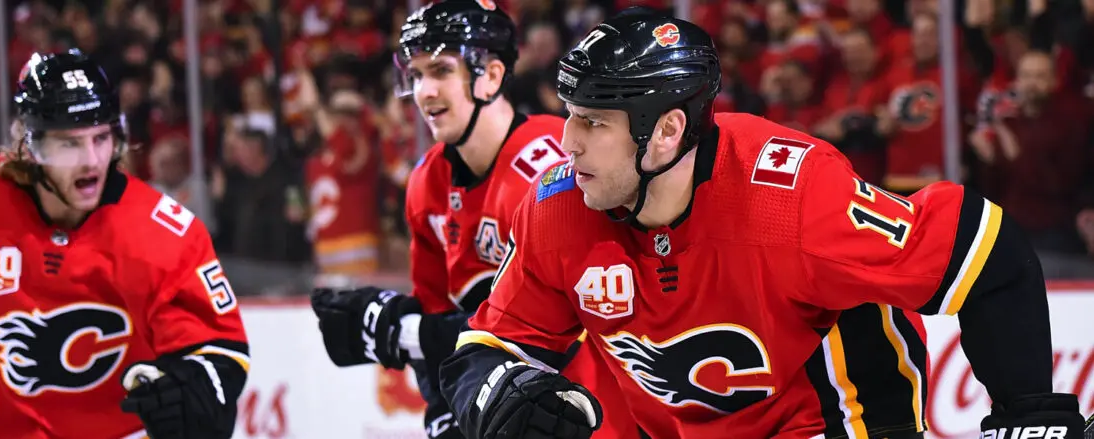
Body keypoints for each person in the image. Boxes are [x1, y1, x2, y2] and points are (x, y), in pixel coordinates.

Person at [438, 8, 1090, 439]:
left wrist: (1026, 410)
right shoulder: (557, 206)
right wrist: (494, 392)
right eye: (569, 113)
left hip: (836, 415)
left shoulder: (792, 194)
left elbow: (984, 246)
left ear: (666, 130)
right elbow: (488, 346)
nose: (567, 141)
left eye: (593, 121)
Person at [308, 1, 636, 438]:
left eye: (441, 71)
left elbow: (567, 325)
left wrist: (409, 332)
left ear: (492, 76)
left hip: (587, 415)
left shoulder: (553, 169)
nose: (424, 91)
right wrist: (444, 414)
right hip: (501, 417)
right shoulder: (426, 182)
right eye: (416, 74)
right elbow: (435, 312)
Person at [0, 50, 249, 439]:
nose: (91, 161)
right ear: (29, 146)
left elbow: (218, 354)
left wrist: (192, 394)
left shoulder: (164, 235)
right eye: (69, 144)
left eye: (101, 138)